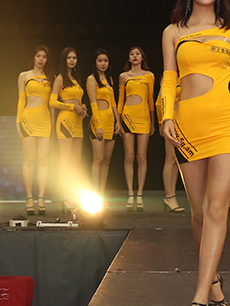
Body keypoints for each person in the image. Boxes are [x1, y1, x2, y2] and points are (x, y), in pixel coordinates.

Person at [161, 0, 230, 306]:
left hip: (227, 123)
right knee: (197, 213)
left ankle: (197, 302)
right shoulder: (172, 32)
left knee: (216, 209)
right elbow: (169, 78)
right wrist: (166, 116)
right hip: (187, 125)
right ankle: (212, 282)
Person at [50, 47, 87, 213]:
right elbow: (52, 102)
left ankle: (73, 193)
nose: (72, 60)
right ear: (64, 60)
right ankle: (65, 196)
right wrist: (73, 107)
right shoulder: (60, 78)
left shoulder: (76, 79)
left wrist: (82, 106)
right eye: (69, 58)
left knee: (76, 161)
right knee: (65, 160)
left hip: (78, 121)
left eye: (74, 58)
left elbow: (77, 99)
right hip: (65, 121)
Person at [118, 46, 155, 211]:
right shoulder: (123, 76)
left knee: (141, 156)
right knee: (129, 156)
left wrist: (153, 122)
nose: (134, 56)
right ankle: (130, 193)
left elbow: (151, 99)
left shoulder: (149, 75)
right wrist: (118, 121)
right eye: (131, 54)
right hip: (127, 116)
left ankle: (139, 193)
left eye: (137, 53)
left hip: (144, 117)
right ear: (129, 58)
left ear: (142, 57)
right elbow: (120, 99)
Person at [18, 45, 52, 215]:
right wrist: (18, 122)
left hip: (45, 121)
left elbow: (53, 102)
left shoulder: (50, 78)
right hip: (28, 120)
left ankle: (42, 197)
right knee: (29, 160)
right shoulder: (24, 76)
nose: (41, 59)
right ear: (33, 57)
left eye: (44, 57)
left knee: (44, 160)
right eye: (38, 56)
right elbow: (21, 100)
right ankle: (29, 197)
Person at [87, 49, 121, 196]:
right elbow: (93, 103)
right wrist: (98, 125)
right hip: (98, 122)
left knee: (107, 160)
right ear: (95, 62)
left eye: (105, 61)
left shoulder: (109, 79)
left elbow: (113, 102)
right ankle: (94, 194)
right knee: (98, 159)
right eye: (100, 60)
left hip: (110, 122)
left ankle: (101, 193)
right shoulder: (91, 79)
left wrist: (117, 121)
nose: (103, 63)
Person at [157, 80, 185, 213]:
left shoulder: (186, 75)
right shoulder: (169, 76)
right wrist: (162, 122)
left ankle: (172, 195)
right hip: (171, 121)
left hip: (185, 120)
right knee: (170, 158)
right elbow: (160, 101)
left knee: (177, 160)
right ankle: (169, 196)